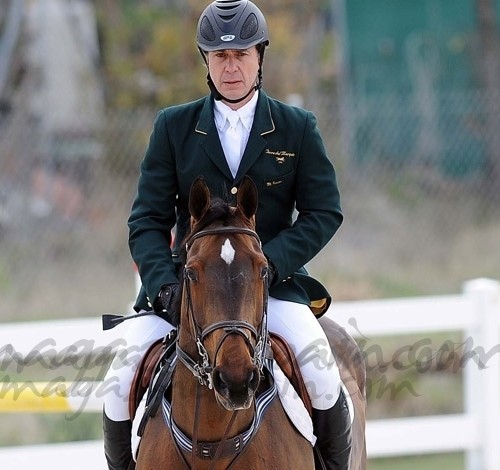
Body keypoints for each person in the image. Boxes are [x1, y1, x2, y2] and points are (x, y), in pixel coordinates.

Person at [102, 1, 350, 469]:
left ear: (260, 58)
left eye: (241, 56)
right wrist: (165, 287)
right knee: (120, 376)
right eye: (220, 57)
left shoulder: (297, 128)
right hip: (188, 290)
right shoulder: (173, 128)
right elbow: (146, 222)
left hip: (270, 285)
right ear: (206, 61)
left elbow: (324, 211)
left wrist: (272, 263)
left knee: (321, 372)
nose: (231, 67)